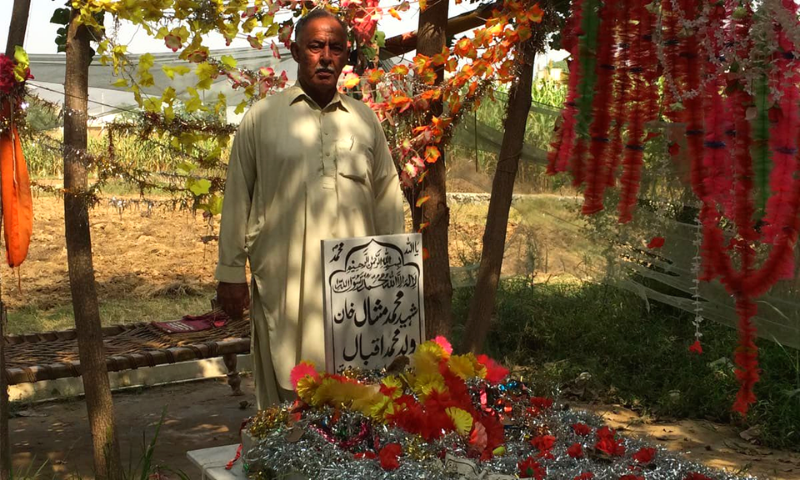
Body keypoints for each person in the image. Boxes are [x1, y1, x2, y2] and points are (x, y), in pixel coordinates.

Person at [214, 10, 405, 408]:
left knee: (359, 389)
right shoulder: (262, 118)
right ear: (296, 50)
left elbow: (387, 197)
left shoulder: (365, 120)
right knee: (291, 388)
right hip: (288, 280)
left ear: (346, 55)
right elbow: (237, 197)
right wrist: (230, 273)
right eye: (316, 46)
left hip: (356, 285)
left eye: (336, 47)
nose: (326, 56)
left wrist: (397, 271)